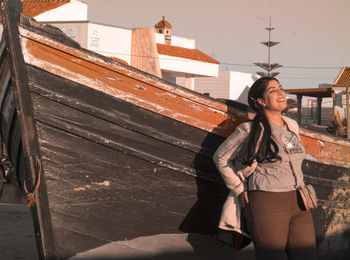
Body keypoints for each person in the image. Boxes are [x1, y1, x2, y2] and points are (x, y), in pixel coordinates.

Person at [213, 77, 318, 260]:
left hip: (300, 201)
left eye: (280, 88)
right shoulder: (248, 130)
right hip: (267, 202)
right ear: (261, 101)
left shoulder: (292, 126)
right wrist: (239, 190)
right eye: (272, 91)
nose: (280, 93)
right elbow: (220, 158)